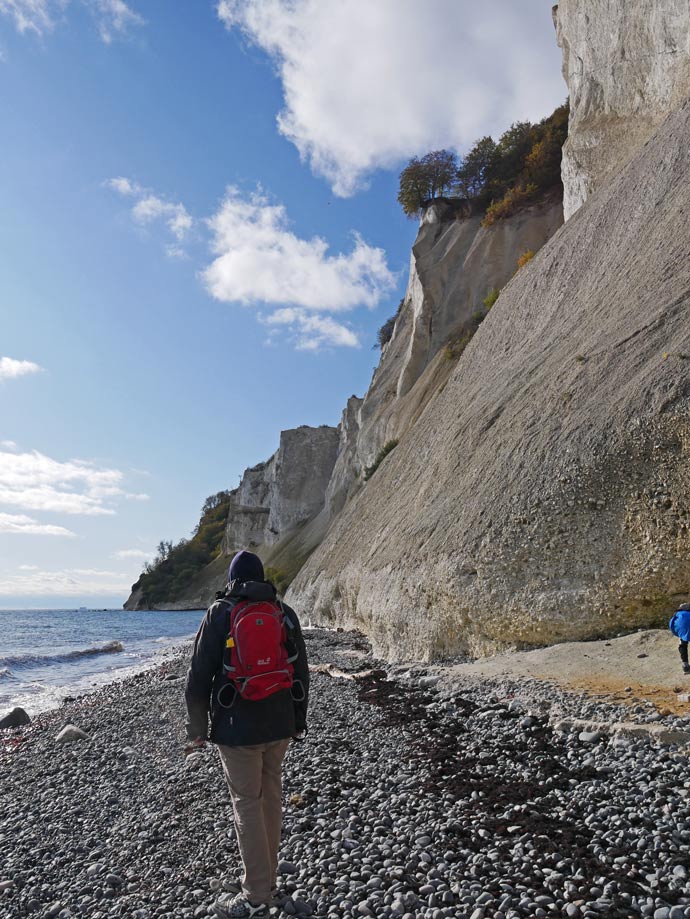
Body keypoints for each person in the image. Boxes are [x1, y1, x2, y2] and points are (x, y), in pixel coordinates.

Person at [185, 550, 309, 919]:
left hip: (237, 728)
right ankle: (267, 881)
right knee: (271, 796)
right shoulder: (284, 613)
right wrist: (297, 720)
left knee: (246, 802)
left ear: (232, 578)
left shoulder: (220, 613)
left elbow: (198, 677)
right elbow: (301, 673)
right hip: (280, 723)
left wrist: (197, 729)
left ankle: (257, 894)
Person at [669, 602, 690, 674]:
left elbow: (671, 624)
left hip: (682, 631)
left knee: (683, 645)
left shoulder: (677, 614)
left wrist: (677, 634)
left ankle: (685, 666)